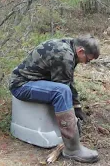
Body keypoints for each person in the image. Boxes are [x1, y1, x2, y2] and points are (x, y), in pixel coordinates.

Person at [9, 35, 100, 163]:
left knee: (63, 90)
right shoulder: (64, 54)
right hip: (21, 86)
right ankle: (72, 149)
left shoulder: (69, 46)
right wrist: (72, 116)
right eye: (88, 60)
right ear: (81, 51)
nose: (86, 63)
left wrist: (77, 107)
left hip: (33, 82)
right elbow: (63, 87)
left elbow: (68, 79)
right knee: (61, 91)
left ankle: (71, 139)